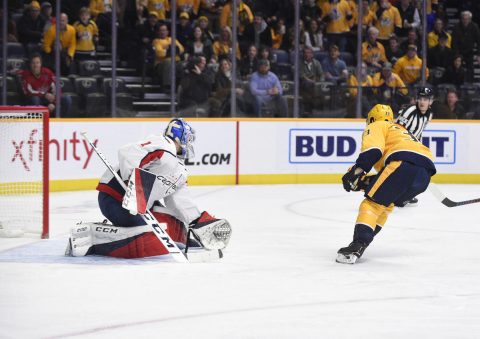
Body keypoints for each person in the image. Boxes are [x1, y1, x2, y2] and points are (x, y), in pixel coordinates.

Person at [66, 118, 231, 258]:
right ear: (179, 137)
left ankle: (117, 232)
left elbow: (179, 201)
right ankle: (95, 240)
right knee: (149, 238)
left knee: (175, 227)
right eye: (187, 138)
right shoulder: (163, 144)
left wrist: (197, 222)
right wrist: (133, 187)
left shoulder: (179, 169)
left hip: (140, 208)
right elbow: (126, 153)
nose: (189, 143)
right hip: (115, 199)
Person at [337, 104, 436, 264]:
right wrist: (362, 181)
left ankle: (358, 245)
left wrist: (354, 173)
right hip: (425, 172)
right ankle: (363, 242)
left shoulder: (377, 125)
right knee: (385, 203)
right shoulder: (401, 129)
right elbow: (388, 179)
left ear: (372, 118)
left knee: (372, 205)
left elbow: (373, 151)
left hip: (402, 164)